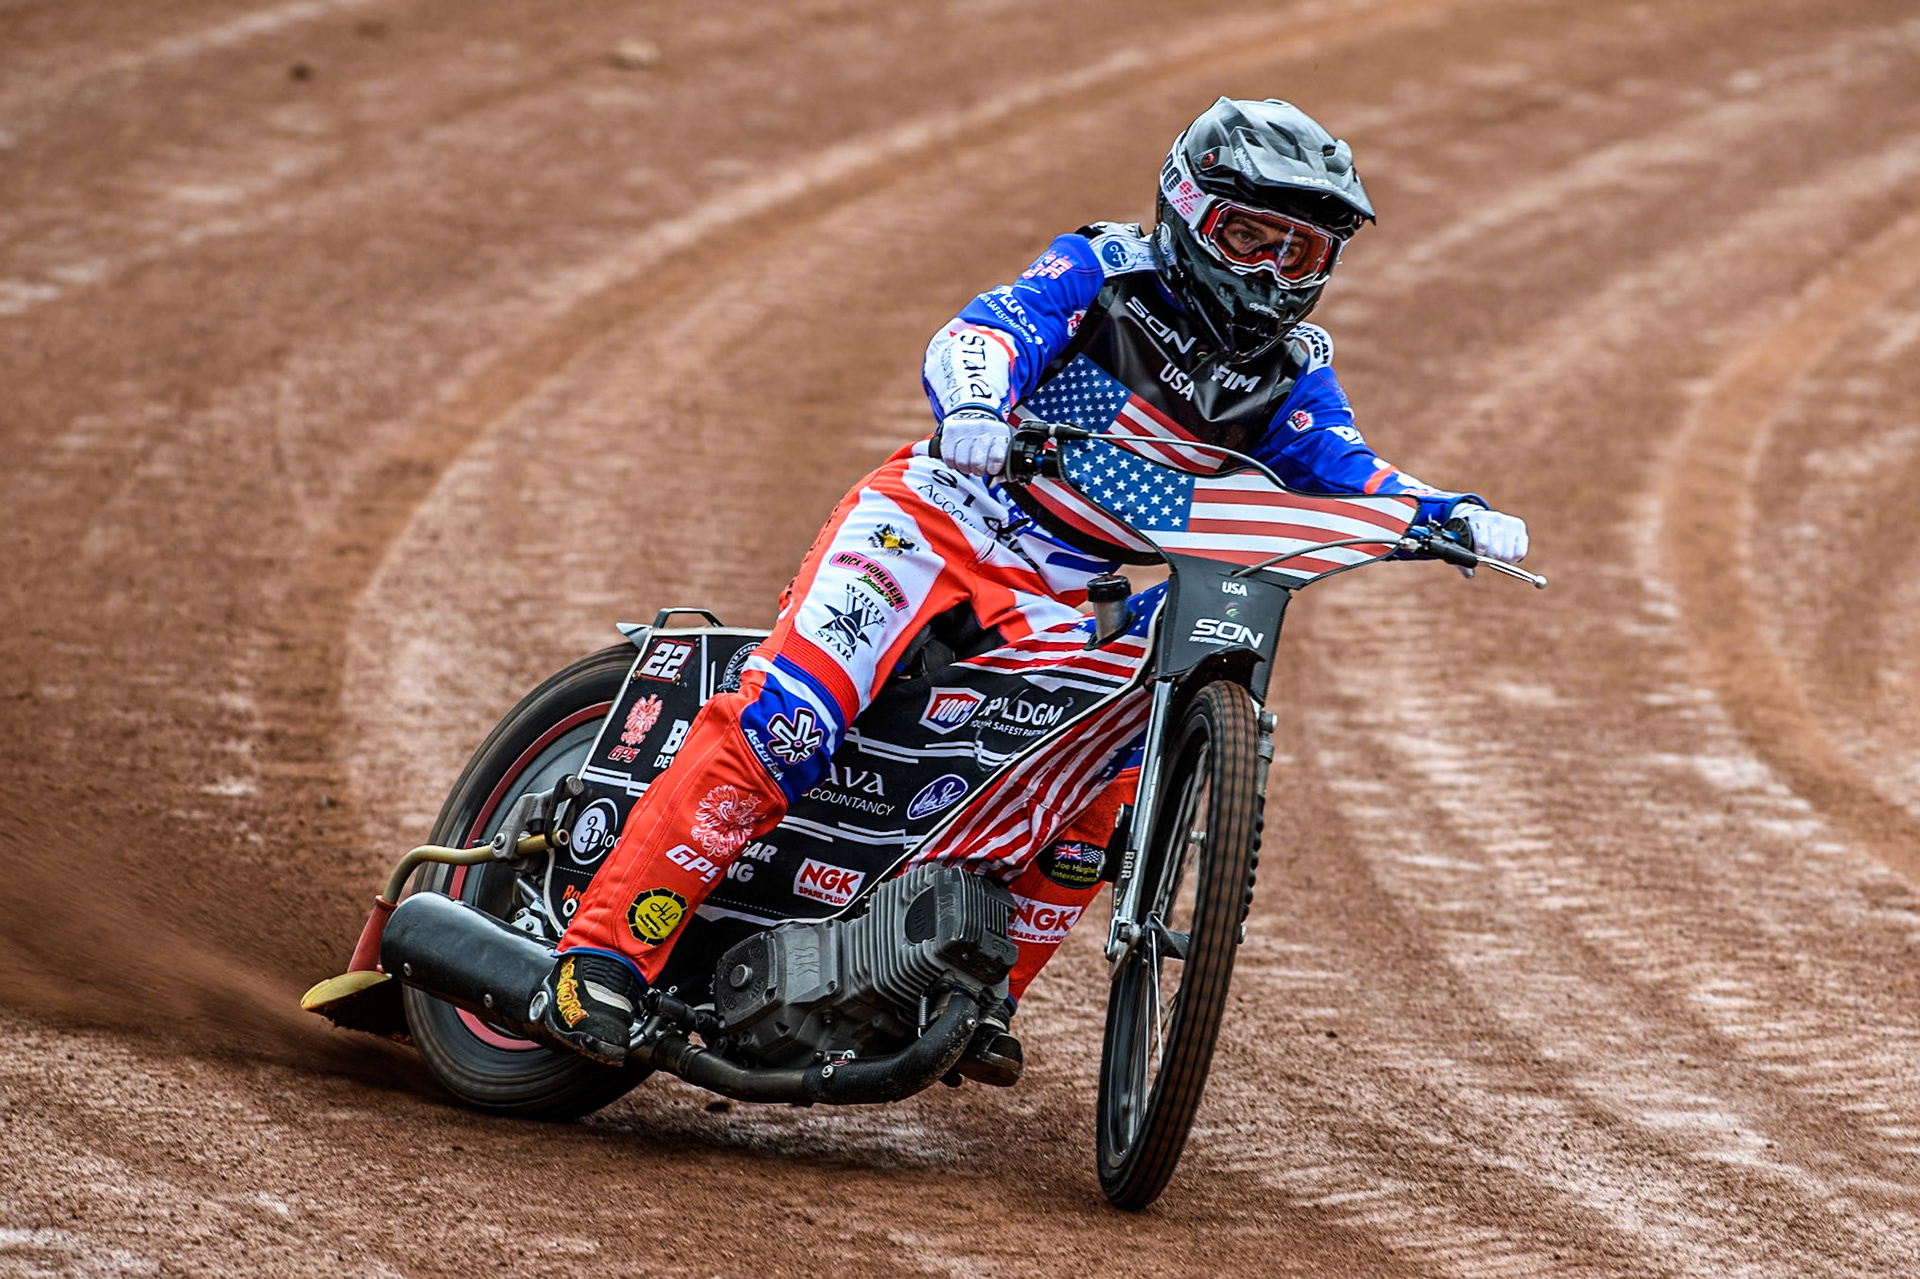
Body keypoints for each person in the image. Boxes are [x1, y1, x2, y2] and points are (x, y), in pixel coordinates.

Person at [537, 97, 1529, 1077]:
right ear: (1188, 210)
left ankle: (981, 989)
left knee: (1117, 753)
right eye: (1249, 236)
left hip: (1060, 591)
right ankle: (600, 958)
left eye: (1299, 252)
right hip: (932, 523)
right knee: (787, 724)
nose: (1270, 272)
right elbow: (990, 329)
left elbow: (1356, 475)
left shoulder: (1292, 372)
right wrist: (975, 402)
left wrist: (1451, 513)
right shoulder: (1106, 271)